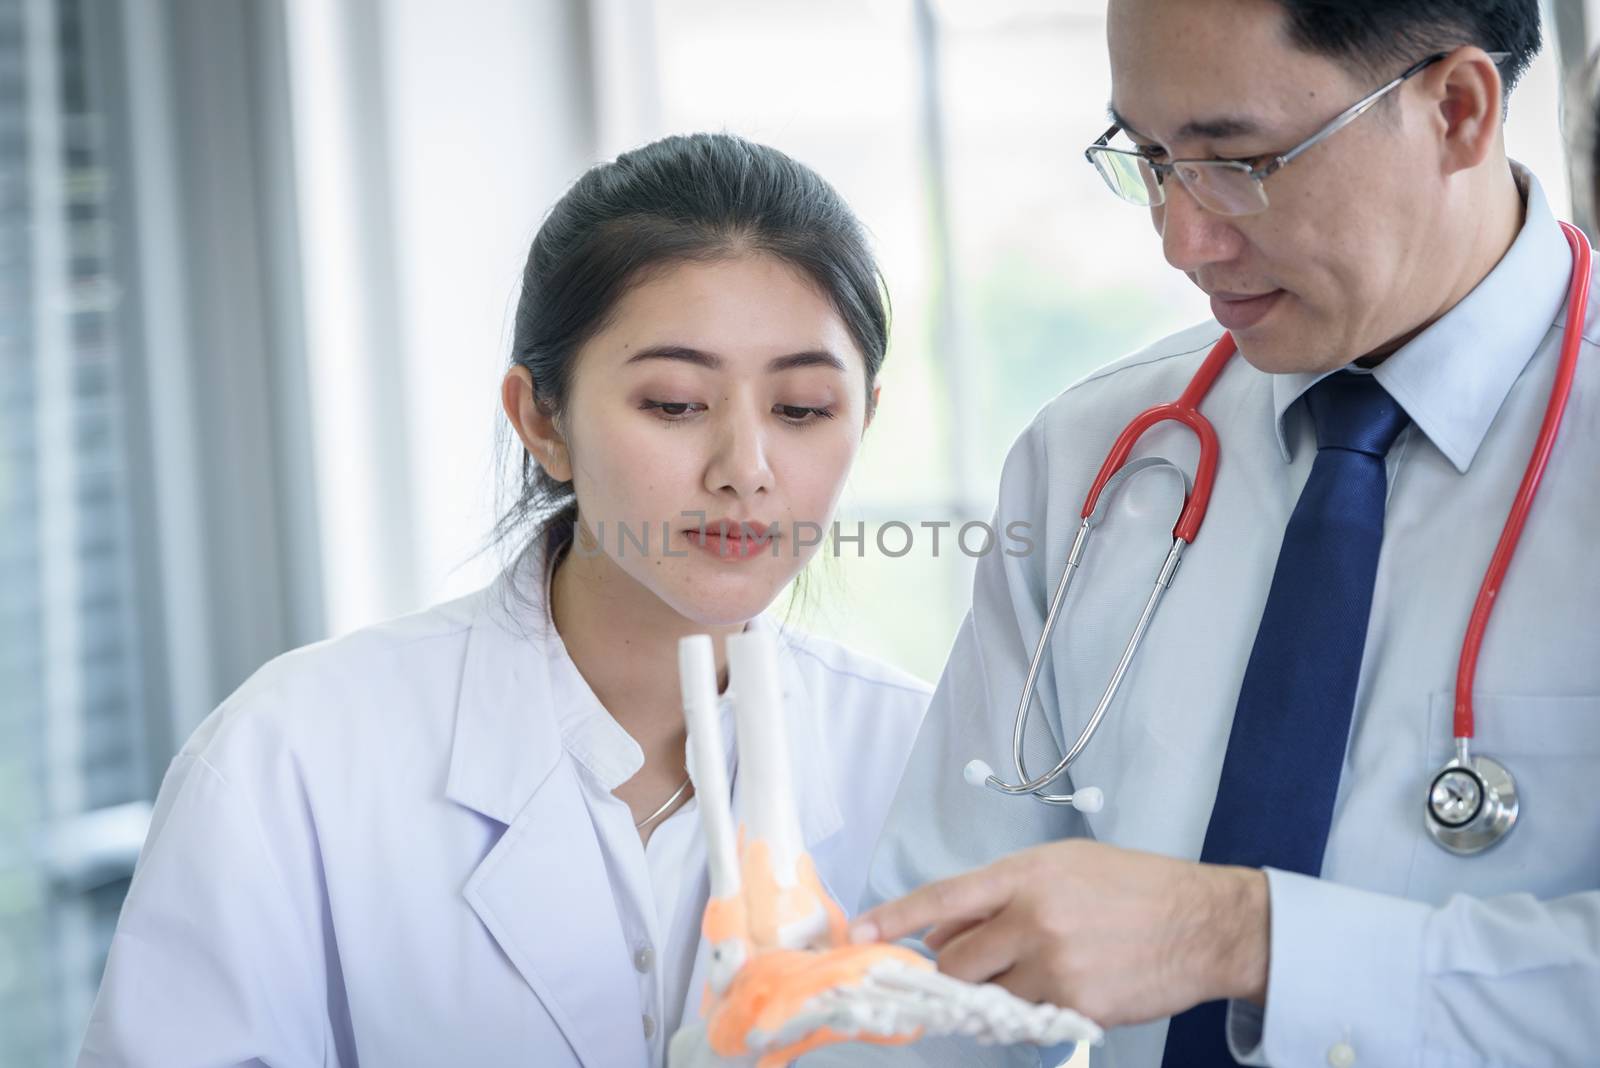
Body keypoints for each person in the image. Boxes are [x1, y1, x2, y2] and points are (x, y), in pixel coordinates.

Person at [792, 1, 1600, 1066]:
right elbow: (940, 969)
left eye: (1243, 161)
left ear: (1454, 109)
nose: (1182, 239)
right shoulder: (1094, 459)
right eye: (1149, 156)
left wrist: (1242, 938)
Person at [77, 132, 930, 1068]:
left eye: (803, 409)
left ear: (864, 420)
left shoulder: (919, 762)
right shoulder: (291, 760)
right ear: (543, 420)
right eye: (676, 404)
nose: (747, 471)